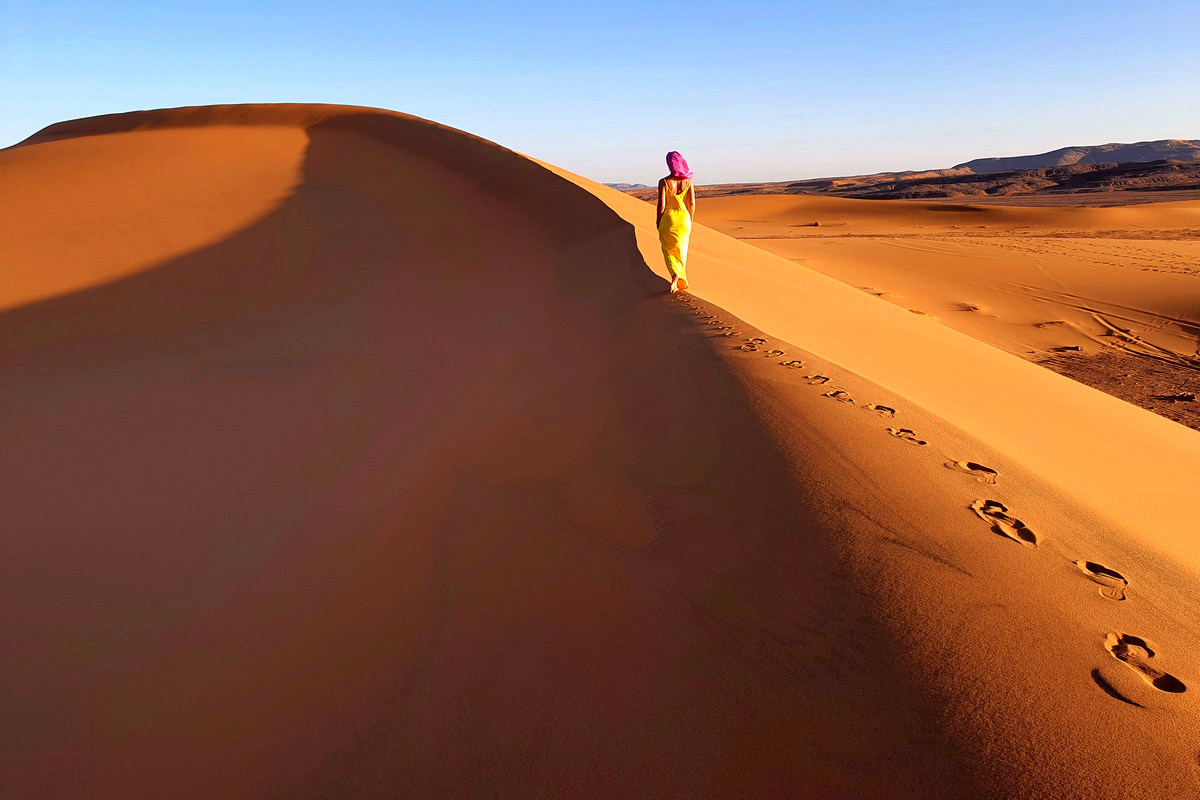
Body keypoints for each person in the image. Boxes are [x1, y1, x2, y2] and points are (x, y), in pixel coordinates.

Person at [657, 151, 695, 293]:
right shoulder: (689, 182)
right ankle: (681, 279)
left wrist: (658, 221)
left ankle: (675, 275)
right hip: (684, 220)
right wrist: (690, 221)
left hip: (669, 218)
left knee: (668, 250)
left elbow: (661, 205)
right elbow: (691, 204)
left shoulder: (664, 182)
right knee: (681, 251)